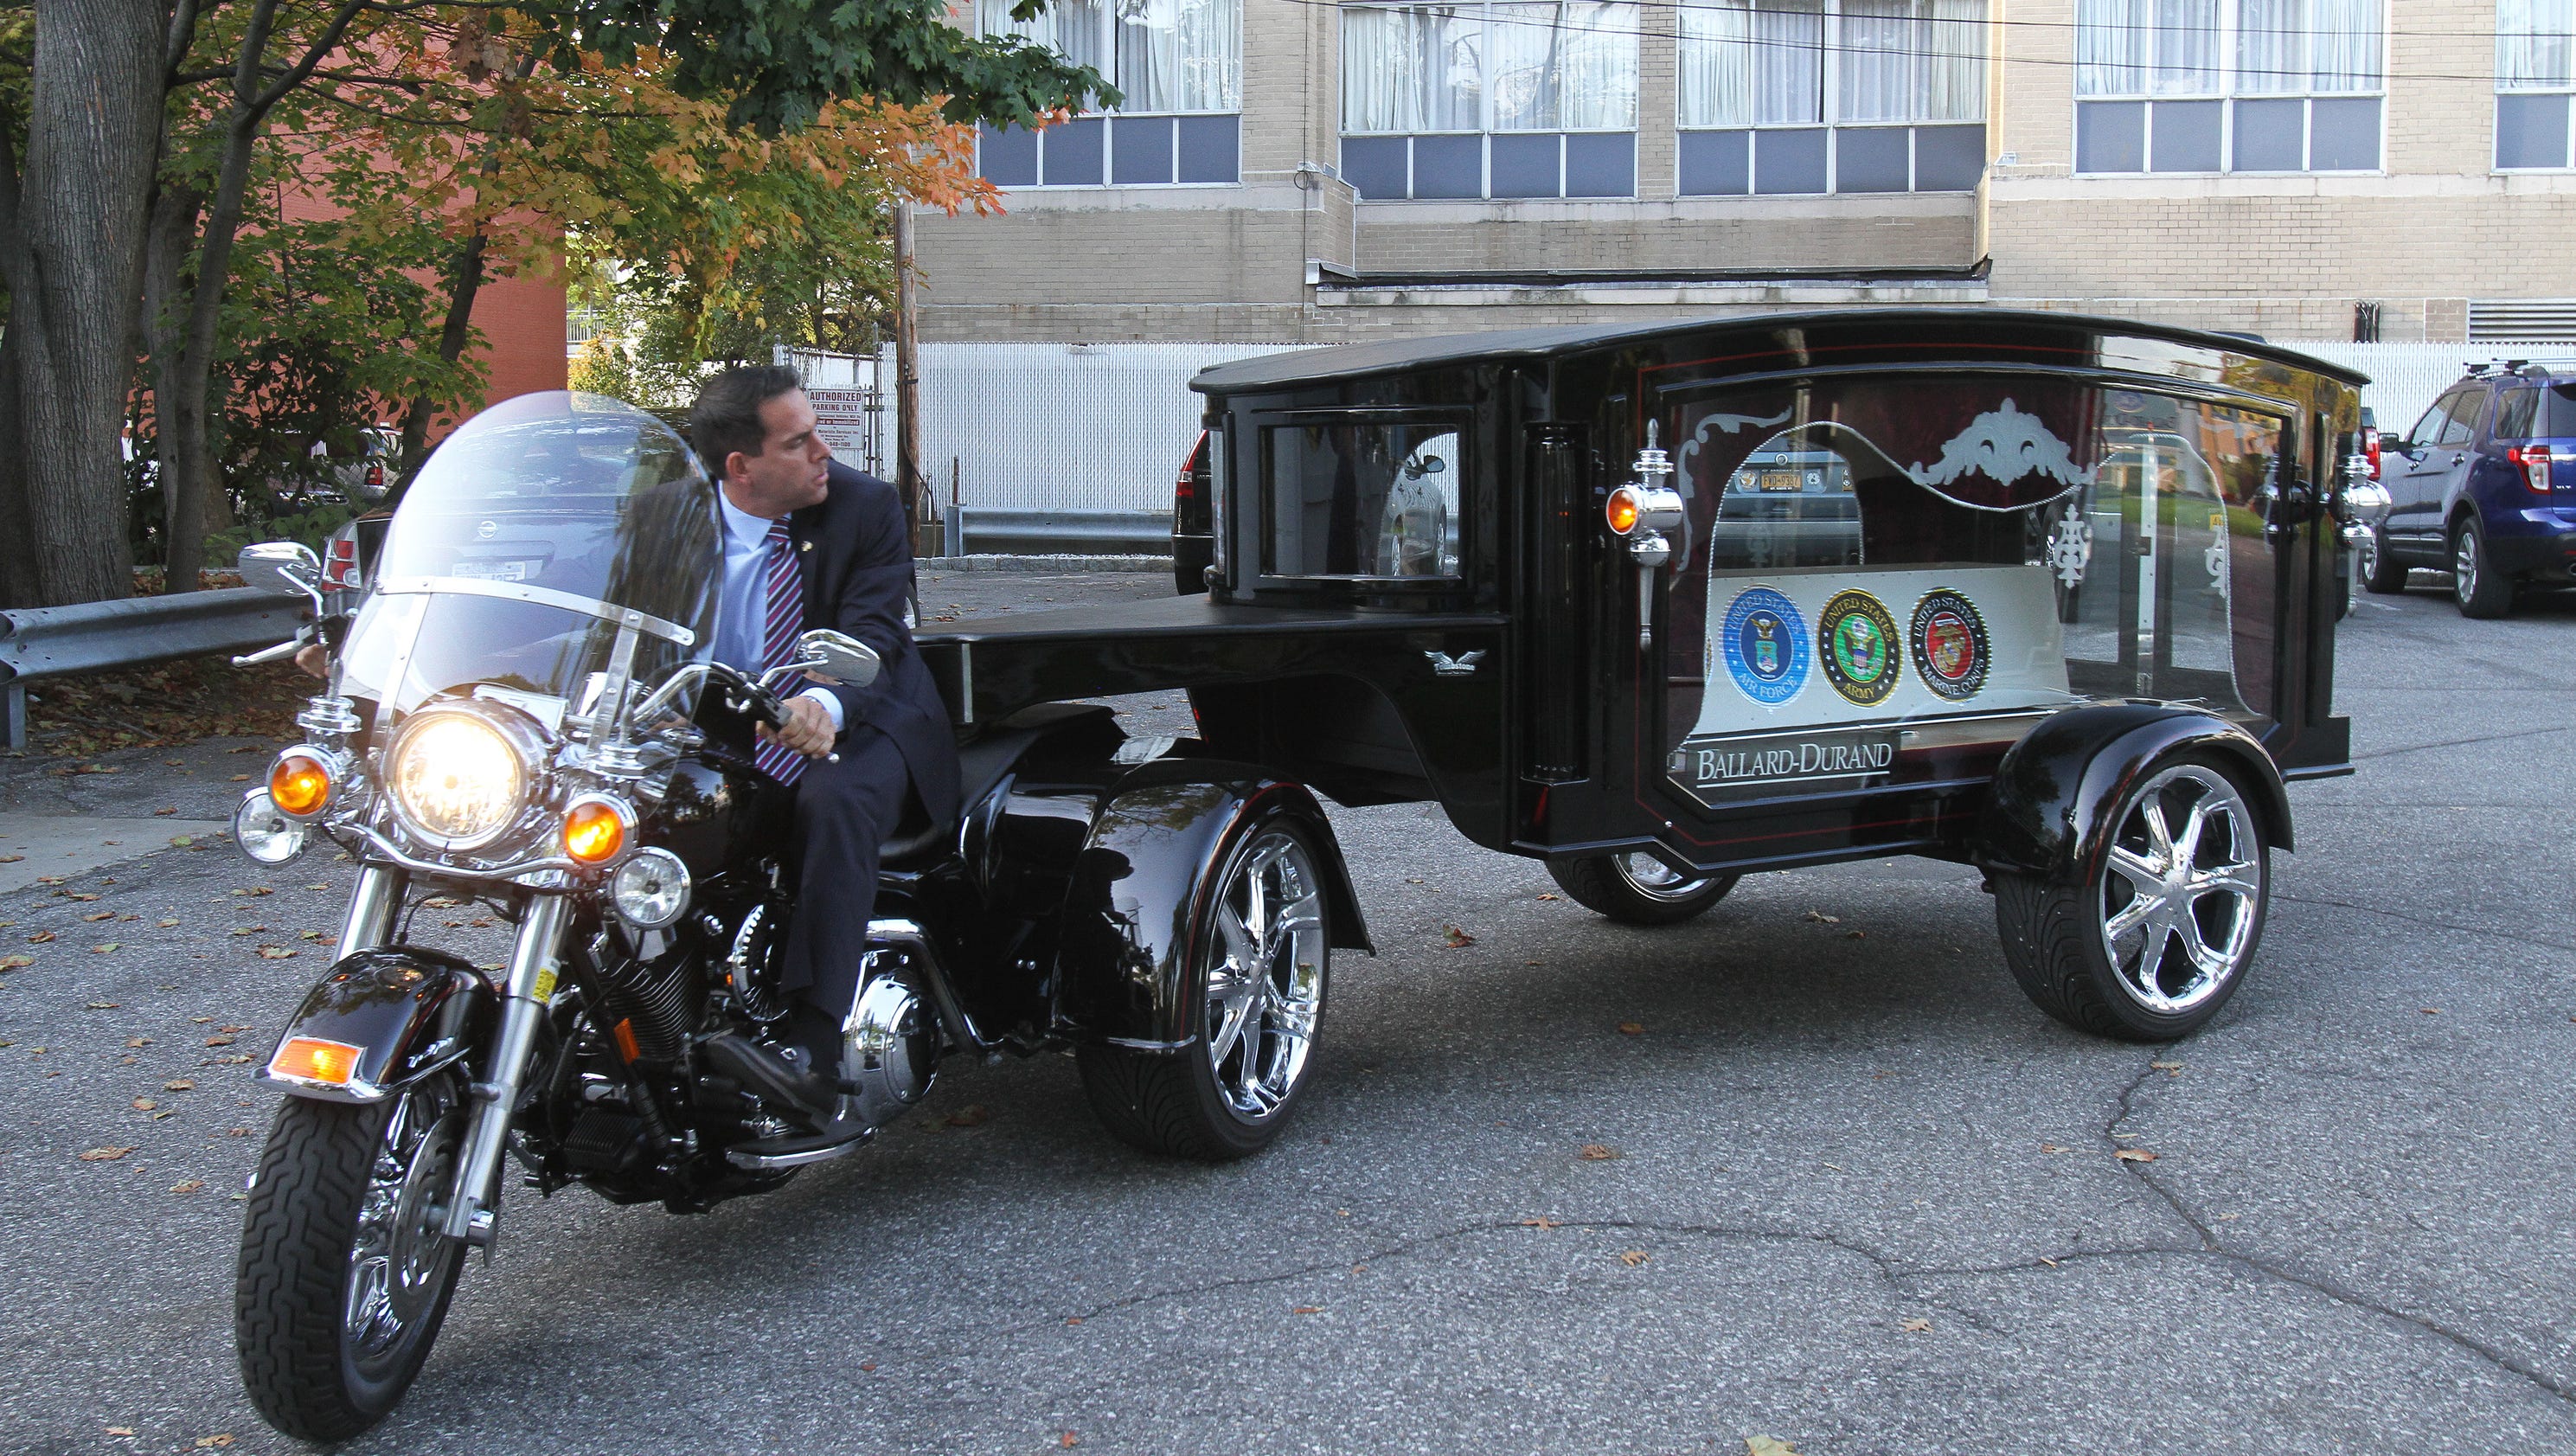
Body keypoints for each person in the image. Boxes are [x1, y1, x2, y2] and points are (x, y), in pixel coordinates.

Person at [687, 366, 960, 1136]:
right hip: (724, 722)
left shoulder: (865, 505)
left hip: (866, 716)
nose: (823, 451)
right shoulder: (668, 519)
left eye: (816, 431)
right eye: (800, 440)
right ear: (742, 468)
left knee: (829, 797)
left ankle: (813, 1041)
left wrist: (824, 703)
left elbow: (875, 631)